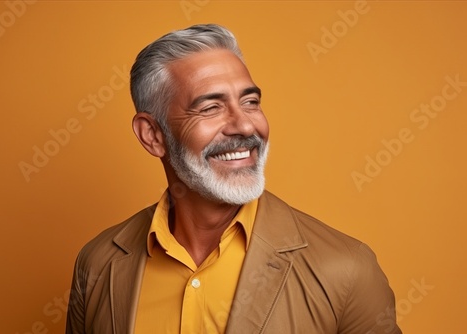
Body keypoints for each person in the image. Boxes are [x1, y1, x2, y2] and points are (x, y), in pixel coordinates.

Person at [66, 24, 401, 334]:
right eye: (211, 108)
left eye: (250, 102)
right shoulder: (97, 263)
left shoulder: (346, 268)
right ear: (152, 135)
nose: (244, 125)